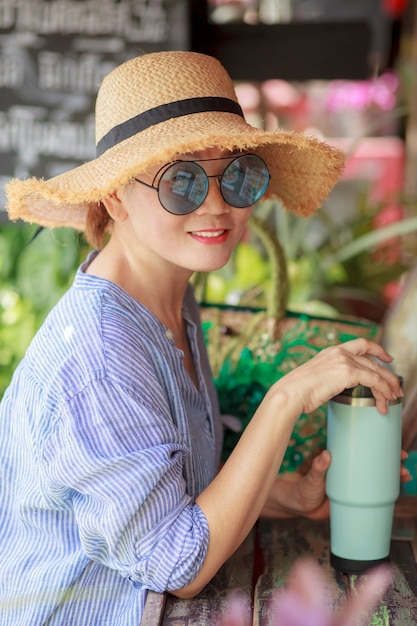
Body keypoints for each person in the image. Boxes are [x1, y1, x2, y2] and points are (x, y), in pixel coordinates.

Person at [0, 51, 407, 625]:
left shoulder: (166, 298)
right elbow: (180, 566)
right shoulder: (99, 356)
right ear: (115, 195)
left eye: (236, 175)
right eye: (182, 180)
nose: (217, 206)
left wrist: (287, 493)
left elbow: (173, 491)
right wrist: (286, 397)